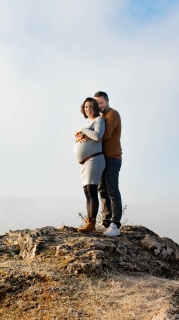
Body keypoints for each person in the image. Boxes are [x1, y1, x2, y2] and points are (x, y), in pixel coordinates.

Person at [73, 98, 106, 233]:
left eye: (91, 107)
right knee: (87, 192)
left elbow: (97, 136)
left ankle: (92, 223)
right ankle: (89, 221)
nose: (88, 109)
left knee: (92, 191)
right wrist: (78, 136)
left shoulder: (99, 120)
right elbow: (83, 137)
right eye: (86, 107)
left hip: (95, 159)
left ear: (95, 108)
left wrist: (83, 130)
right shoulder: (87, 124)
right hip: (84, 162)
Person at [94, 91, 122, 237]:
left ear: (107, 101)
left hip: (113, 157)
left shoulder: (113, 114)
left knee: (112, 191)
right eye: (97, 103)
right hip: (102, 158)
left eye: (101, 102)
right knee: (102, 191)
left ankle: (115, 225)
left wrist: (86, 133)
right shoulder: (99, 118)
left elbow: (106, 134)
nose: (99, 106)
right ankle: (105, 222)